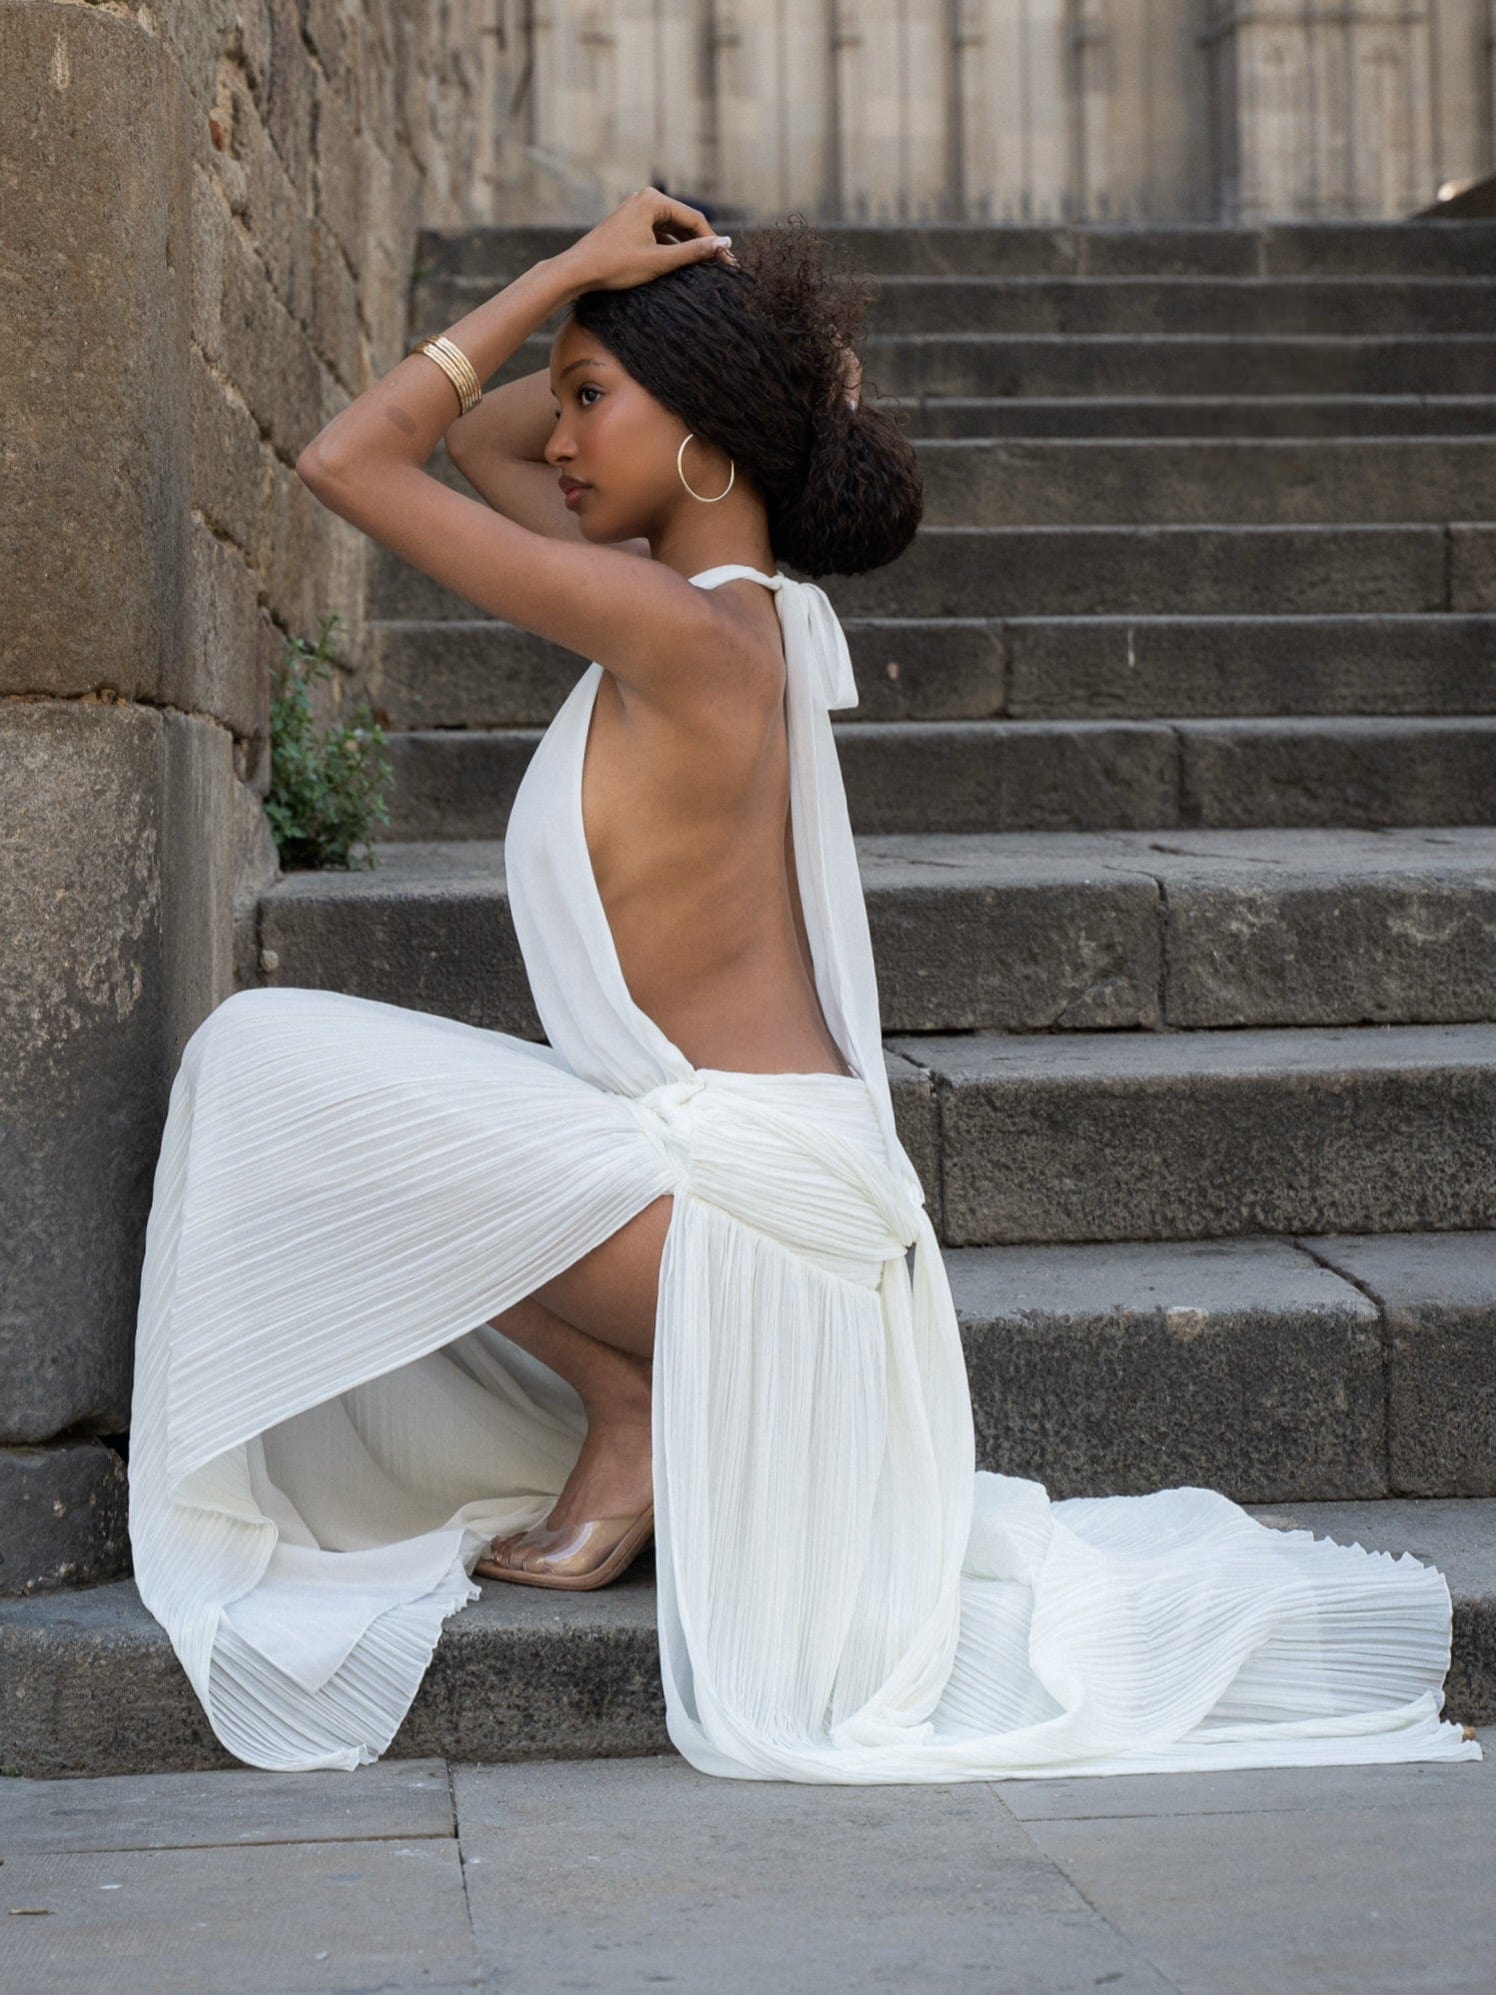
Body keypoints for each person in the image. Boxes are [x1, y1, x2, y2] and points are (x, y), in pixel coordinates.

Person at [127, 190, 1482, 1782]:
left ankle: (639, 1406)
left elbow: (352, 462)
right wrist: (618, 342)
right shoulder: (719, 614)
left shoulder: (683, 632)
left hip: (757, 1229)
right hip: (749, 1194)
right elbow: (488, 446)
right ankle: (633, 1410)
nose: (555, 438)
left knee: (266, 1067)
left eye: (591, 401)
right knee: (305, 1089)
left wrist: (568, 273)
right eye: (565, 398)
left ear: (707, 441)